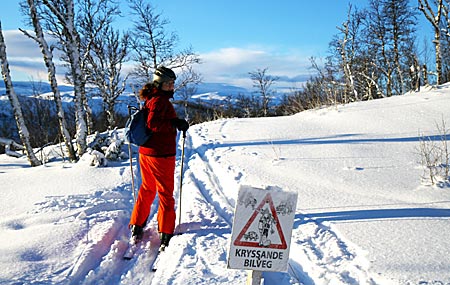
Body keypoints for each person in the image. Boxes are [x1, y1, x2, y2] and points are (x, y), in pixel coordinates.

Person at [129, 66, 189, 250]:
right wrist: (175, 122)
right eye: (169, 84)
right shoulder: (159, 101)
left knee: (147, 189)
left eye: (172, 83)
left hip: (147, 152)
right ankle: (166, 232)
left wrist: (173, 122)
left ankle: (137, 225)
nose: (172, 87)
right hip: (160, 154)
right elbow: (153, 123)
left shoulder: (152, 98)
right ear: (159, 84)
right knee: (165, 193)